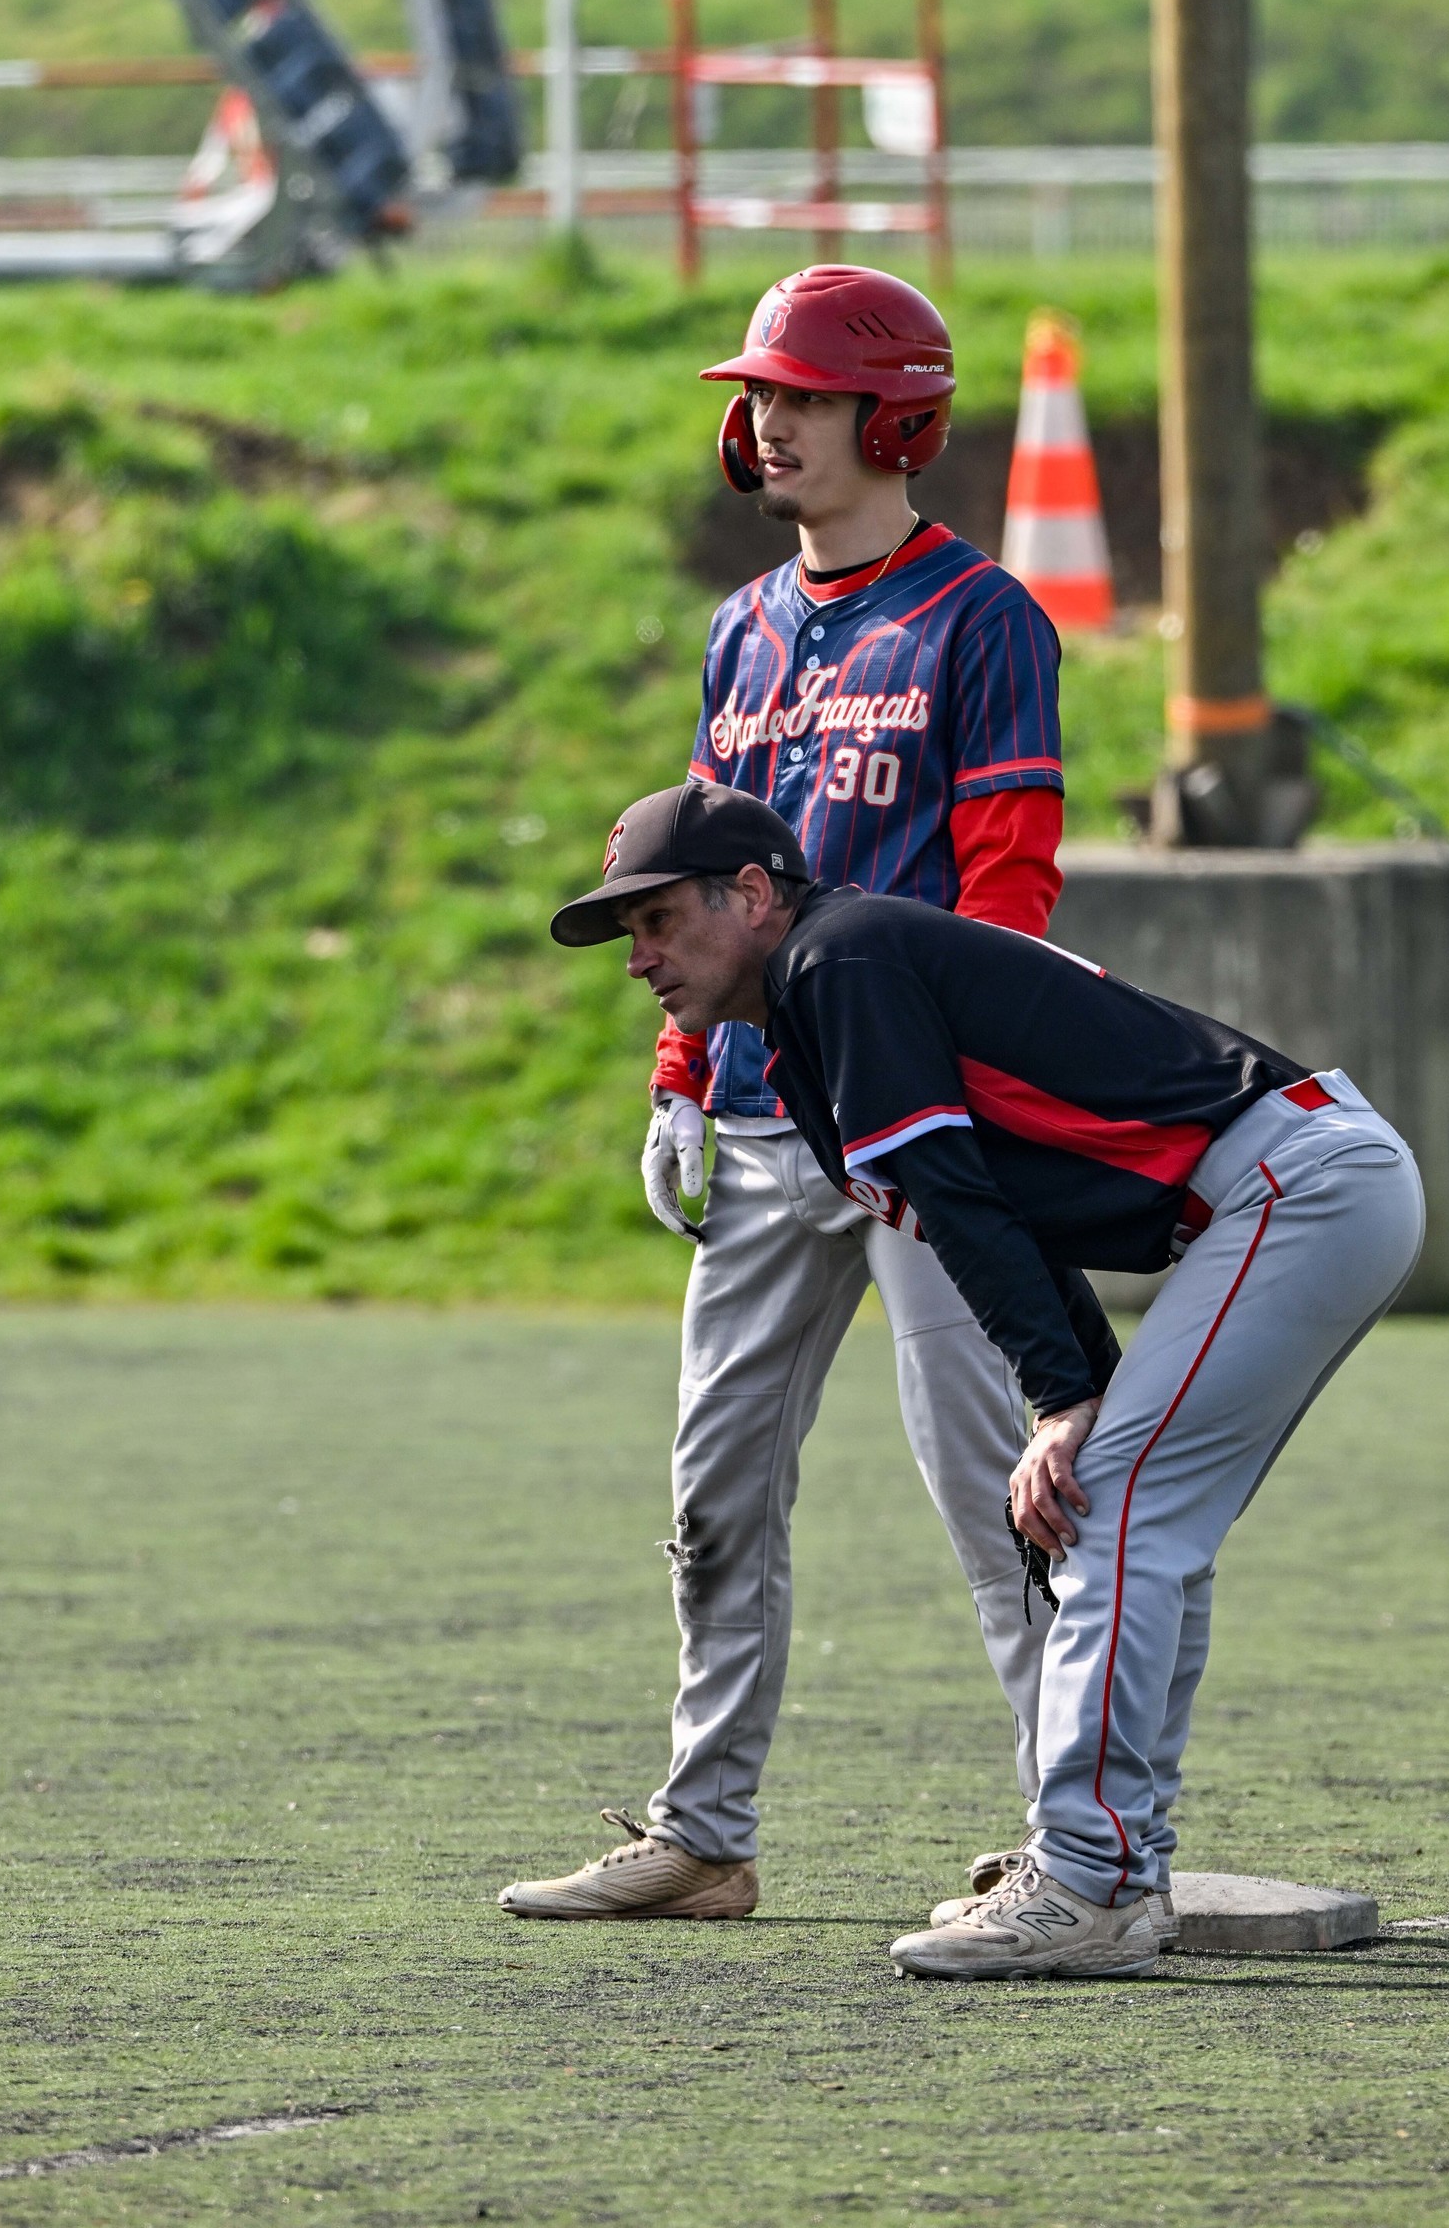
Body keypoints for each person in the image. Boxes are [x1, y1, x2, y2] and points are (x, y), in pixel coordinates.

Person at [531, 784, 1425, 1979]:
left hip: (1294, 1185)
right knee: (1128, 1511)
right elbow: (1005, 1205)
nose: (637, 959)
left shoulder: (835, 963)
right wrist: (1081, 1388)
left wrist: (1060, 1401)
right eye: (625, 934)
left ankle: (1090, 1880)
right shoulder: (811, 1003)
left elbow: (953, 1196)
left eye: (654, 921)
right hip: (1295, 1185)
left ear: (752, 894)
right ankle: (1118, 1869)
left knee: (1112, 1515)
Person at [499, 266, 1103, 1927]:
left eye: (809, 394)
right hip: (767, 1110)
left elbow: (1010, 876)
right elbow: (691, 892)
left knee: (1005, 1488)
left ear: (893, 414)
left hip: (915, 1128)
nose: (769, 419)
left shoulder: (982, 620)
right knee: (713, 1490)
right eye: (760, 391)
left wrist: (975, 1075)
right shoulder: (741, 632)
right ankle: (706, 1836)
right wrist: (681, 1068)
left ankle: (1081, 1837)